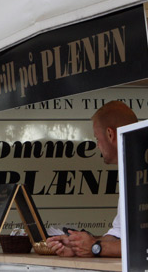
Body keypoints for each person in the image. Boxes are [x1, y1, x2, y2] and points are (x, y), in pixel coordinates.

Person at [46, 100, 137, 258]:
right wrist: (77, 246)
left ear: (110, 134)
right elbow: (118, 234)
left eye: (97, 138)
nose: (97, 146)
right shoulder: (128, 170)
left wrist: (96, 247)